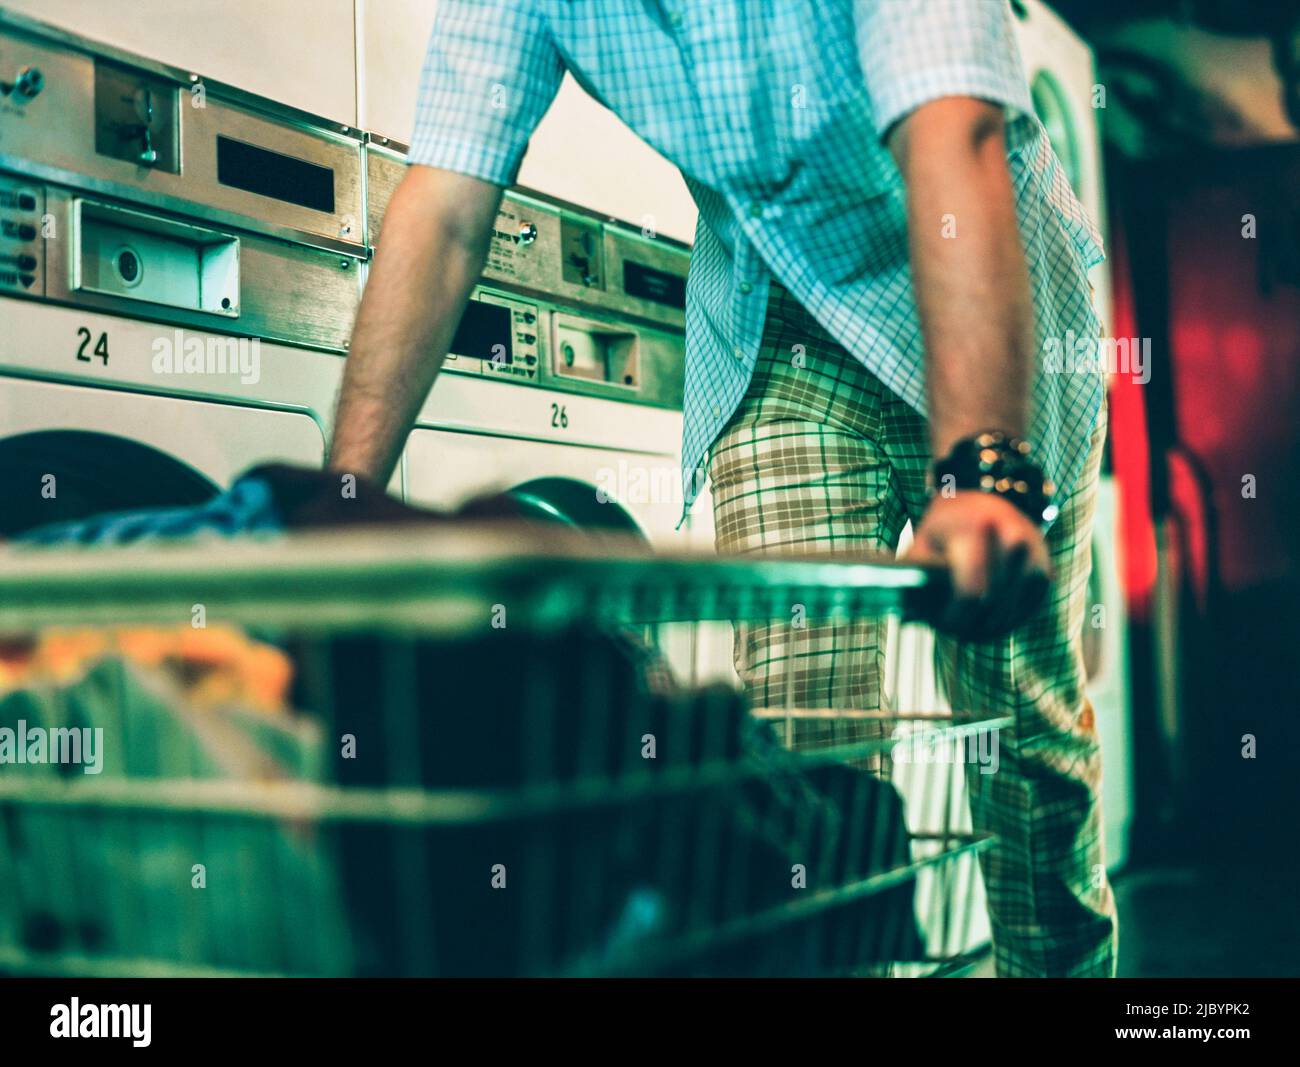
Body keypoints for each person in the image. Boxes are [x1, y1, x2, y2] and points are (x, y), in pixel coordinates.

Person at [327, 0, 1116, 977]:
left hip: (989, 288)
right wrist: (339, 509)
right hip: (782, 323)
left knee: (1023, 754)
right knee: (799, 750)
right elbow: (445, 208)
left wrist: (980, 466)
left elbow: (951, 130)